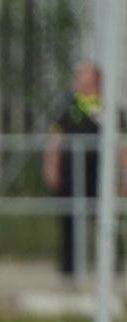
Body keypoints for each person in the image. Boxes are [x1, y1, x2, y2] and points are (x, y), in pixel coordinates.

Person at [42, 60, 127, 278]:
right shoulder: (68, 106)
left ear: (96, 80)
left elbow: (122, 147)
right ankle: (69, 269)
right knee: (69, 221)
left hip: (102, 176)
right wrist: (51, 168)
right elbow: (54, 139)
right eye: (77, 76)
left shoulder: (109, 108)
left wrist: (124, 177)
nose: (77, 80)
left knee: (108, 221)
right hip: (71, 175)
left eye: (82, 76)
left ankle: (112, 267)